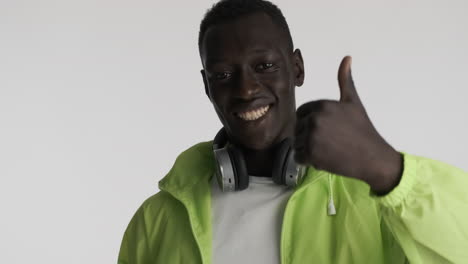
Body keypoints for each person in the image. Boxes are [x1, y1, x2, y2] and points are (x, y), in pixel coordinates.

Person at [117, 0, 468, 263]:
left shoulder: (372, 199)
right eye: (223, 75)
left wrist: (388, 168)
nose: (245, 89)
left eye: (265, 66)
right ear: (207, 87)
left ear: (296, 68)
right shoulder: (158, 219)